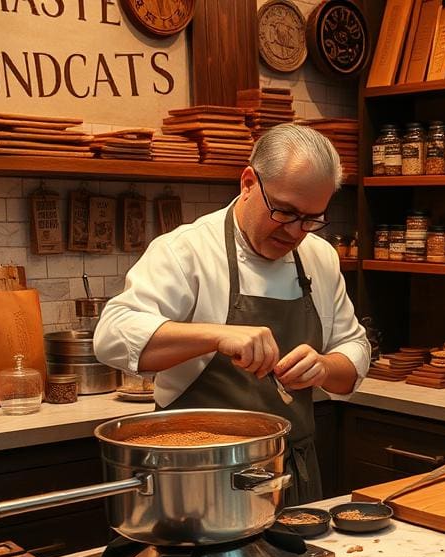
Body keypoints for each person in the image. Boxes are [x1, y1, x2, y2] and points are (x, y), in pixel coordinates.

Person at [94, 124, 370, 504]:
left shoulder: (319, 257)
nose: (295, 231)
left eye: (311, 219)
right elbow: (112, 337)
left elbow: (353, 350)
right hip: (199, 478)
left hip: (289, 473)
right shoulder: (186, 251)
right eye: (284, 211)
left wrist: (323, 366)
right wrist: (216, 335)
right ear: (248, 182)